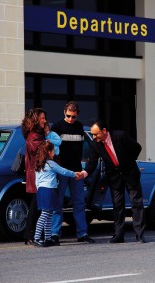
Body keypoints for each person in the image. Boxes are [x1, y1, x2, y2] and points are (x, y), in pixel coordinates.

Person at [80, 119, 146, 244]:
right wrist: (85, 173)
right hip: (114, 177)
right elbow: (92, 162)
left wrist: (128, 161)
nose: (94, 137)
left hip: (130, 173)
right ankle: (118, 235)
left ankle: (139, 235)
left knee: (136, 203)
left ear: (104, 131)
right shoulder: (96, 144)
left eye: (96, 134)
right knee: (117, 205)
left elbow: (137, 148)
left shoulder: (120, 136)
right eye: (92, 134)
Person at [51, 101, 95, 244]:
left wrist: (84, 168)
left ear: (77, 115)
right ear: (64, 112)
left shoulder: (80, 127)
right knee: (57, 203)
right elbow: (51, 150)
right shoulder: (57, 127)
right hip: (61, 170)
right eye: (69, 116)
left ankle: (82, 234)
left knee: (79, 203)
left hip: (76, 171)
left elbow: (84, 150)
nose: (71, 119)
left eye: (74, 117)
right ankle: (54, 234)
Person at [33, 141, 80, 247]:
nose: (54, 153)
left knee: (49, 214)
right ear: (49, 152)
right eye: (53, 151)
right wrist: (74, 174)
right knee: (45, 214)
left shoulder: (40, 163)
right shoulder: (51, 163)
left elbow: (37, 180)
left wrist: (38, 189)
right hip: (49, 190)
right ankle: (36, 237)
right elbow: (63, 171)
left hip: (41, 190)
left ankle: (48, 238)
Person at [21, 108, 47, 245]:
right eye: (42, 118)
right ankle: (30, 234)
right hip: (37, 177)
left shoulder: (36, 135)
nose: (45, 121)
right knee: (36, 206)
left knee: (37, 205)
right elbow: (43, 152)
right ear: (36, 120)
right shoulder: (34, 137)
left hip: (38, 176)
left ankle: (32, 234)